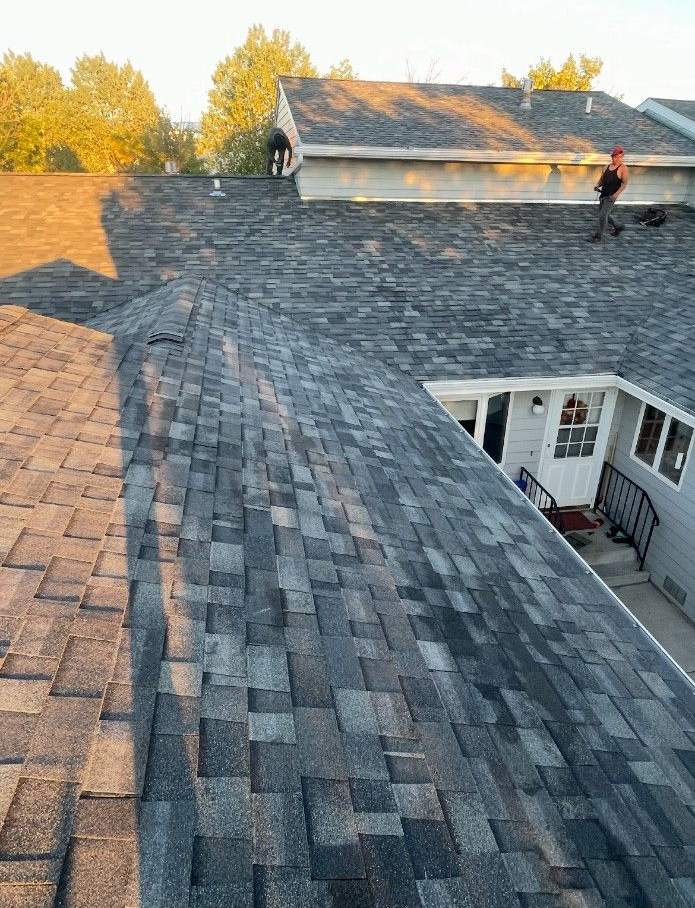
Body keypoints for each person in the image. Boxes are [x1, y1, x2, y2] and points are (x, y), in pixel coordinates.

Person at [589, 146, 629, 242]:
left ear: (622, 157)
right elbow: (602, 180)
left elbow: (624, 184)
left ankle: (598, 236)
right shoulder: (606, 167)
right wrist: (597, 185)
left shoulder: (623, 168)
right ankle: (619, 226)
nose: (618, 159)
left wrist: (616, 195)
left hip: (611, 196)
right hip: (603, 194)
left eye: (620, 157)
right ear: (612, 157)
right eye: (616, 157)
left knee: (603, 215)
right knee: (604, 214)